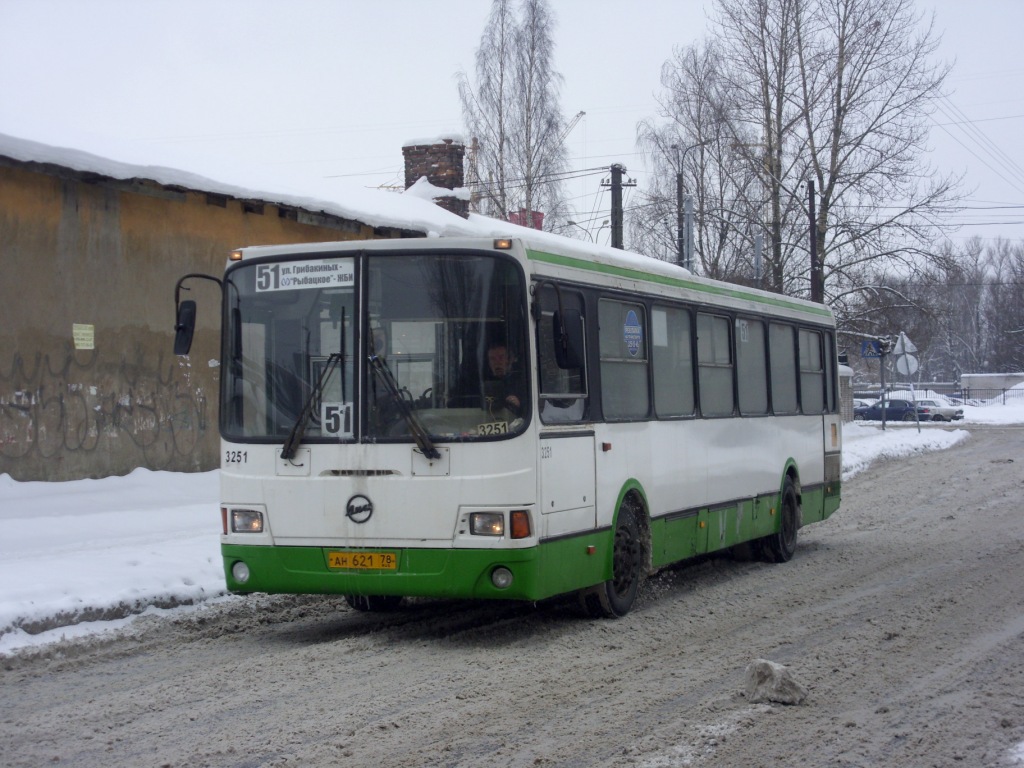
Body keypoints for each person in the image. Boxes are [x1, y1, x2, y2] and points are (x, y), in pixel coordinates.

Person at [485, 342, 523, 417]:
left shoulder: (522, 381)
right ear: (489, 363)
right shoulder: (481, 382)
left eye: (501, 357)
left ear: (510, 360)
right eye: (492, 359)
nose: (497, 363)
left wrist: (519, 404)